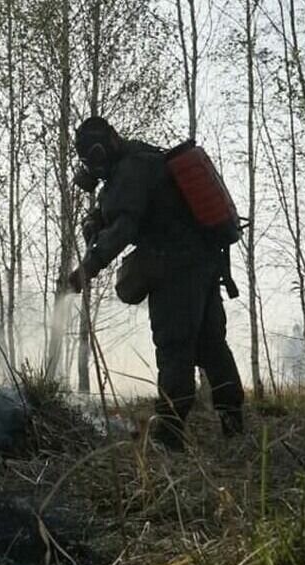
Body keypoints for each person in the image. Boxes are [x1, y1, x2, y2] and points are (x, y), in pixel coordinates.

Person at [62, 116, 244, 449]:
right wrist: (97, 216)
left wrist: (86, 269)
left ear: (108, 145)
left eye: (96, 158)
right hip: (203, 263)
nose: (95, 167)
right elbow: (123, 210)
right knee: (211, 346)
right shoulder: (139, 159)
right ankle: (234, 423)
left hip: (176, 269)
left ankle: (169, 437)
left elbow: (123, 228)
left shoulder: (130, 169)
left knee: (175, 347)